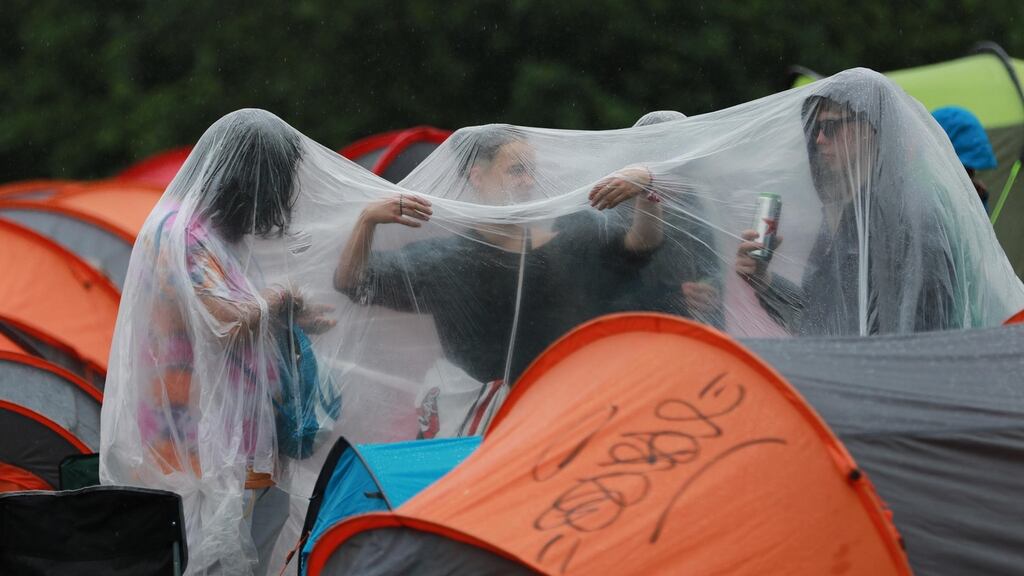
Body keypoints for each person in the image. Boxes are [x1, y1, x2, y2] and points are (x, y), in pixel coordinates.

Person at [101, 109, 334, 575]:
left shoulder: (202, 229)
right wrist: (279, 297)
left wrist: (289, 314)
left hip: (224, 440)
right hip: (198, 443)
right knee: (211, 561)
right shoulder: (184, 232)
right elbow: (225, 319)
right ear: (248, 180)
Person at [334, 125, 663, 390]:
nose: (530, 181)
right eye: (517, 171)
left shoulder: (571, 239)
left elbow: (641, 245)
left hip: (573, 410)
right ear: (478, 177)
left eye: (532, 171)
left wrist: (647, 186)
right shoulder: (448, 261)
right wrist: (367, 219)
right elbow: (353, 282)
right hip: (489, 434)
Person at [734, 70, 963, 336]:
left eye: (831, 127)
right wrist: (765, 281)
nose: (819, 140)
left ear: (870, 128)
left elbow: (913, 336)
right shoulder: (850, 210)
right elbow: (824, 316)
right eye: (817, 128)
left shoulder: (906, 216)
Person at [600, 110, 723, 326]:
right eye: (667, 164)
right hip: (627, 330)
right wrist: (672, 297)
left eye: (682, 165)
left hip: (686, 331)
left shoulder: (693, 203)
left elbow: (710, 265)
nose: (676, 174)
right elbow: (607, 283)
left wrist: (709, 291)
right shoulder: (612, 206)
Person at [932, 106, 998, 211]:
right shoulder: (921, 199)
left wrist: (978, 204)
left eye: (972, 169)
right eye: (965, 169)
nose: (972, 174)